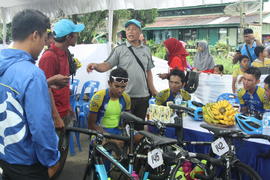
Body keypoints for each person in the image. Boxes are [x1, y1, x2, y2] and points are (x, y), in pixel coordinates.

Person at [0, 9, 59, 180]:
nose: (45, 45)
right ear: (35, 35)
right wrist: (51, 160)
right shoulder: (32, 74)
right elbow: (41, 126)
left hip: (4, 156)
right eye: (44, 38)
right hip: (28, 164)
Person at [87, 19, 157, 130]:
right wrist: (96, 66)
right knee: (124, 129)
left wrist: (153, 90)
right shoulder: (119, 49)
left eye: (133, 29)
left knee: (139, 129)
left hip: (143, 97)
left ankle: (135, 148)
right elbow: (107, 65)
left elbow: (148, 72)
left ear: (140, 32)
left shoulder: (146, 50)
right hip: (124, 96)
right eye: (128, 29)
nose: (130, 32)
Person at [39, 19, 85, 130]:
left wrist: (68, 107)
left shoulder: (65, 53)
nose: (77, 36)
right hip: (54, 115)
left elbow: (62, 87)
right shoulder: (49, 57)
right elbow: (45, 89)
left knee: (64, 146)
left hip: (63, 111)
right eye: (75, 33)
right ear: (68, 37)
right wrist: (56, 117)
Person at [88, 68, 130, 135]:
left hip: (119, 131)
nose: (120, 90)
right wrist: (109, 137)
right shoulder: (98, 97)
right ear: (109, 83)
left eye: (123, 87)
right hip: (101, 132)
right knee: (115, 143)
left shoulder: (126, 98)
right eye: (117, 86)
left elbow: (127, 120)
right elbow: (91, 125)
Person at [155, 69, 191, 138]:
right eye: (171, 82)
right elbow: (154, 112)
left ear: (183, 84)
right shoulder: (162, 95)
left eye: (176, 83)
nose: (173, 85)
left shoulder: (187, 96)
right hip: (165, 126)